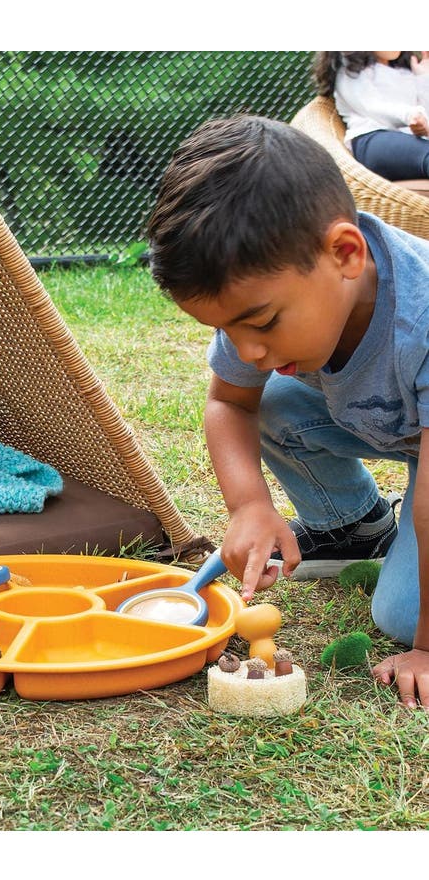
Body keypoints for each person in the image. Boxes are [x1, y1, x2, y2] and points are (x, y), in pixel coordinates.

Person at [146, 114, 429, 710]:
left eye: (263, 323)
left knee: (405, 617)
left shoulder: (422, 315)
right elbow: (229, 401)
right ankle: (357, 526)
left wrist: (427, 648)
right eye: (229, 330)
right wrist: (248, 505)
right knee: (271, 399)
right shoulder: (263, 292)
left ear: (345, 253)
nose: (248, 350)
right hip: (407, 432)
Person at [314, 50, 429, 181]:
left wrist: (423, 77)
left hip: (411, 140)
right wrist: (410, 115)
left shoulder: (404, 69)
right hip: (372, 139)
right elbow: (372, 106)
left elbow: (424, 111)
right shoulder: (350, 69)